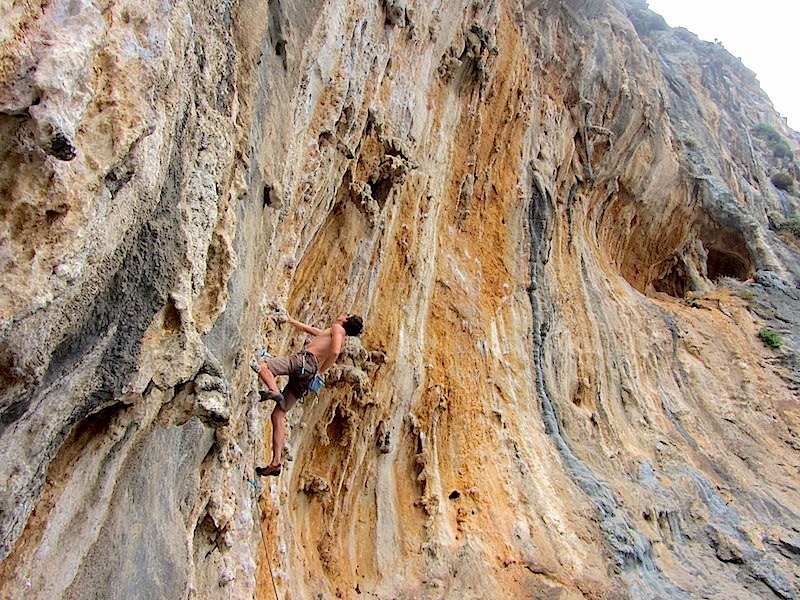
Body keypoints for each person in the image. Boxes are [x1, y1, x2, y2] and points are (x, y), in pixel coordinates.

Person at [255, 311, 364, 476]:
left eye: (345, 314)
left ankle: (274, 391)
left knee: (263, 366)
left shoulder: (337, 329)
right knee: (278, 415)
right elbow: (314, 332)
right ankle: (276, 462)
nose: (341, 314)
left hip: (305, 362)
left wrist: (322, 370)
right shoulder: (338, 337)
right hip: (307, 375)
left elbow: (334, 352)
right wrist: (291, 321)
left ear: (345, 320)